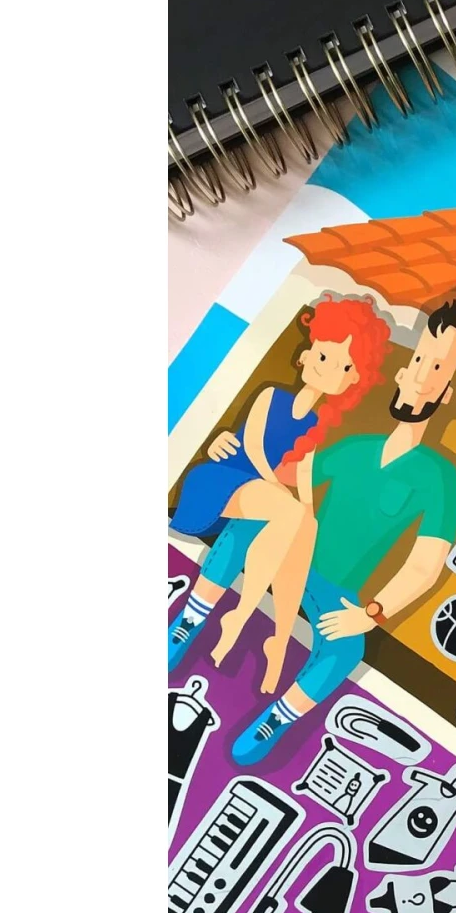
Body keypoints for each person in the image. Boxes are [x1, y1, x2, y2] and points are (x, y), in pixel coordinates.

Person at [168, 299, 456, 765]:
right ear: (399, 373)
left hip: (336, 587)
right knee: (249, 524)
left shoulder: (439, 478)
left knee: (347, 650)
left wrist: (372, 613)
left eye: (436, 369)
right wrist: (227, 447)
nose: (419, 378)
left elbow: (425, 565)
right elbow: (283, 476)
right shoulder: (354, 447)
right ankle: (187, 624)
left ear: (446, 392)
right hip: (294, 549)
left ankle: (277, 719)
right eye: (417, 362)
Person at [169, 293, 391, 693]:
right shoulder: (272, 396)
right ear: (307, 354)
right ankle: (236, 616)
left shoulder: (315, 426)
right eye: (324, 356)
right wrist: (284, 497)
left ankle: (278, 638)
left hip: (257, 499)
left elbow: (304, 477)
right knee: (287, 512)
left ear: (351, 380)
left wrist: (308, 519)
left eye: (344, 366)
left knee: (301, 521)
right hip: (221, 481)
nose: (329, 369)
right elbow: (254, 447)